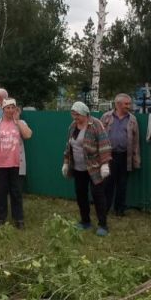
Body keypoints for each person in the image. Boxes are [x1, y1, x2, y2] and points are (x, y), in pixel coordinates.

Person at [62, 101, 112, 236]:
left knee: (98, 195)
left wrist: (105, 164)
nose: (75, 117)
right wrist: (66, 163)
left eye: (77, 114)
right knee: (80, 194)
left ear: (85, 114)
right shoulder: (72, 126)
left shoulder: (96, 124)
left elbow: (104, 144)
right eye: (73, 114)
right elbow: (69, 146)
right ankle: (85, 221)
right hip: (78, 168)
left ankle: (103, 225)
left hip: (94, 167)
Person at [0, 98, 32, 228]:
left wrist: (17, 121)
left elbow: (28, 135)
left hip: (16, 164)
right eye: (8, 108)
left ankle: (19, 219)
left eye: (13, 108)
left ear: (16, 109)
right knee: (1, 192)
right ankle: (1, 218)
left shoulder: (21, 122)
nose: (10, 110)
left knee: (16, 192)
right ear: (3, 109)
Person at [101, 93, 141, 216]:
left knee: (122, 184)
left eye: (129, 103)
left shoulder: (132, 119)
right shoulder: (106, 117)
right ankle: (105, 208)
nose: (128, 106)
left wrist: (136, 159)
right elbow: (100, 136)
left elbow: (136, 141)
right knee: (108, 183)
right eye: (126, 104)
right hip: (109, 155)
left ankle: (119, 209)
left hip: (125, 156)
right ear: (118, 104)